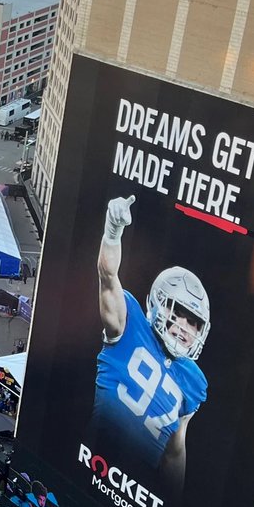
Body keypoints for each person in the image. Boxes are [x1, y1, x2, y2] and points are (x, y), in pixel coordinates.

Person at [95, 195, 209, 488]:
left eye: (193, 321)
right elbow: (108, 276)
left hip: (140, 482)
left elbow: (175, 450)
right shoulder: (129, 323)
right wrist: (112, 233)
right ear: (159, 303)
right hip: (96, 455)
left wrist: (173, 506)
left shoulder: (194, 382)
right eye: (179, 314)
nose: (185, 327)